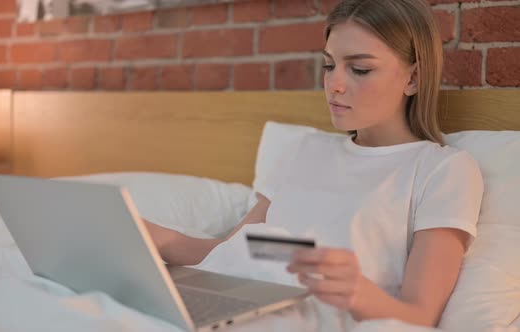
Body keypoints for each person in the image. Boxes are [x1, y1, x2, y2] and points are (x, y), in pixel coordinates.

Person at [143, 0, 484, 329]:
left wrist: (359, 293)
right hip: (236, 308)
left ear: (413, 78)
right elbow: (233, 254)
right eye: (329, 65)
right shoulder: (301, 150)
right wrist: (157, 238)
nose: (334, 84)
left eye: (360, 69)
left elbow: (420, 316)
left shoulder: (443, 170)